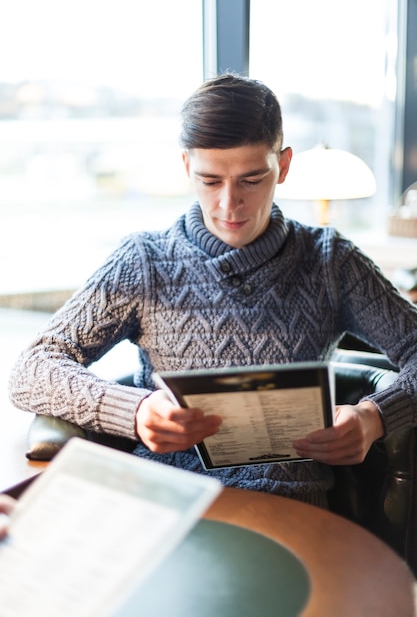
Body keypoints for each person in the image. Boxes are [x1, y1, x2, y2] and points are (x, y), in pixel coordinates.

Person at [8, 74, 417, 509]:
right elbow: (32, 368)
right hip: (167, 504)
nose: (229, 204)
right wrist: (135, 410)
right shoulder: (144, 261)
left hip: (292, 509)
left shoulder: (330, 261)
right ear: (186, 166)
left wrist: (375, 416)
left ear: (285, 165)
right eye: (210, 181)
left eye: (252, 179)